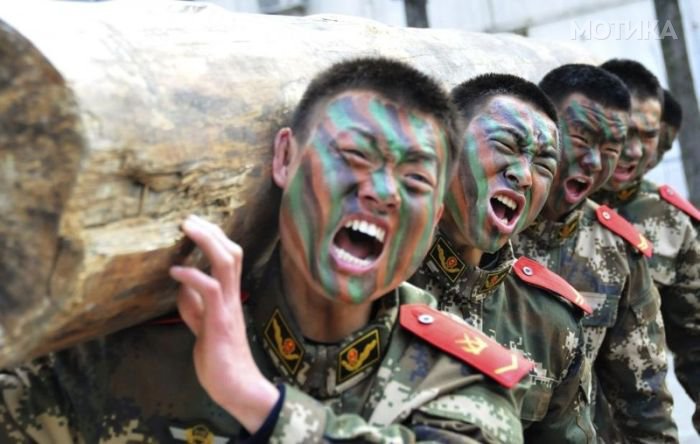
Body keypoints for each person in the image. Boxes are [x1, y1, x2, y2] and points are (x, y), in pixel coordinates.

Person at [0, 57, 530, 443]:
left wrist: (255, 401)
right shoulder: (136, 348)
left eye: (415, 180)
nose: (383, 193)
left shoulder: (459, 383)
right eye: (353, 156)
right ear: (284, 159)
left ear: (436, 216)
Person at [409, 73, 595, 443]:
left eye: (544, 164)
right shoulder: (378, 283)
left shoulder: (550, 322)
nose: (525, 175)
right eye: (507, 145)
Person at [512, 63, 678, 443]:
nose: (595, 162)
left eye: (610, 149)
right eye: (582, 139)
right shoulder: (482, 224)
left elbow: (645, 403)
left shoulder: (617, 251)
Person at [593, 60, 700, 435]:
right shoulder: (544, 203)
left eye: (649, 135)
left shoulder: (672, 222)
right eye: (625, 132)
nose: (634, 150)